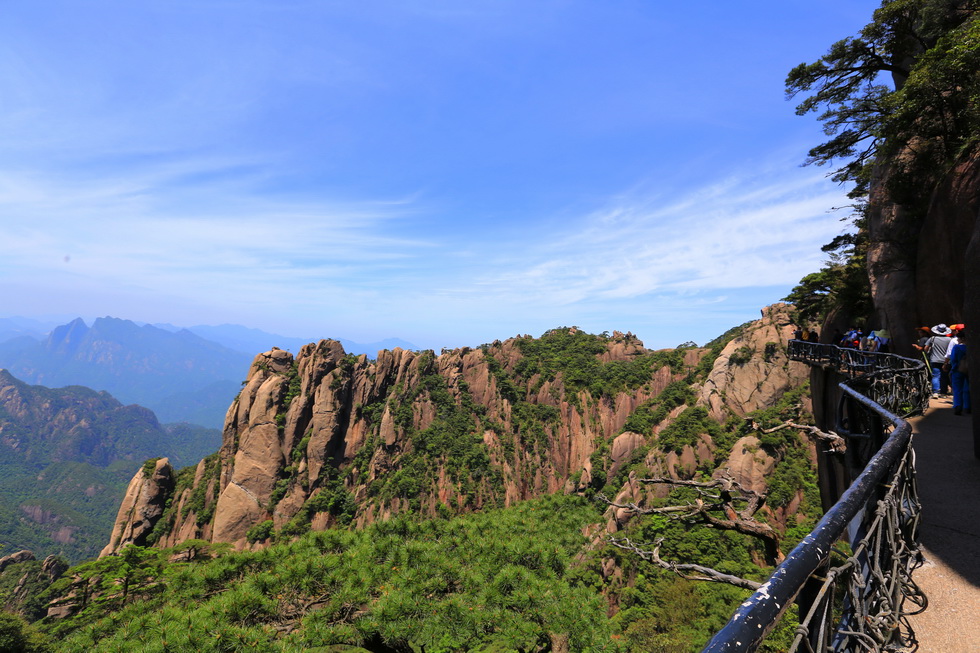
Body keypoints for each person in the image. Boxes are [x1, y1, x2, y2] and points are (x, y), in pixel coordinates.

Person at [925, 324, 953, 398]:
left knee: (935, 376)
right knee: (944, 376)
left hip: (934, 360)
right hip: (945, 361)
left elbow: (926, 348)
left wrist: (929, 352)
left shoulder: (932, 338)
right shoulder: (949, 339)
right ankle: (943, 392)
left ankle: (935, 392)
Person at [948, 329, 970, 415]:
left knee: (957, 389)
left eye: (959, 338)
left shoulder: (956, 347)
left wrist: (953, 368)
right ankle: (967, 406)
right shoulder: (971, 347)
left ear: (962, 338)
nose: (957, 340)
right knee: (967, 388)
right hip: (969, 370)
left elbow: (953, 359)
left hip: (957, 370)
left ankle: (958, 406)